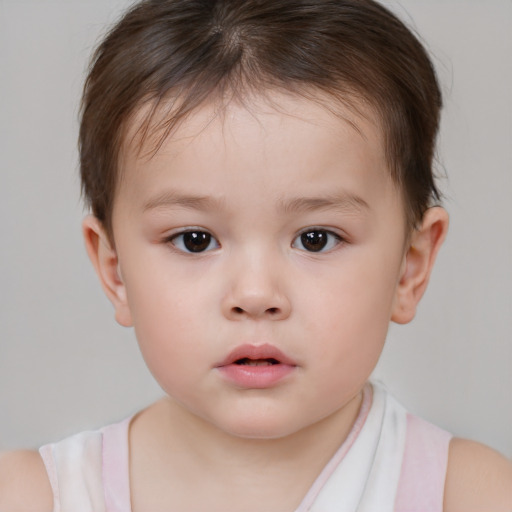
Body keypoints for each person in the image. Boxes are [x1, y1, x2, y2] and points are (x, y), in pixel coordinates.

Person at [1, 0, 511, 510]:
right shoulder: (34, 496)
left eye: (316, 238)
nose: (255, 294)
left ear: (411, 266)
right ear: (115, 271)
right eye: (194, 240)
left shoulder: (471, 494)